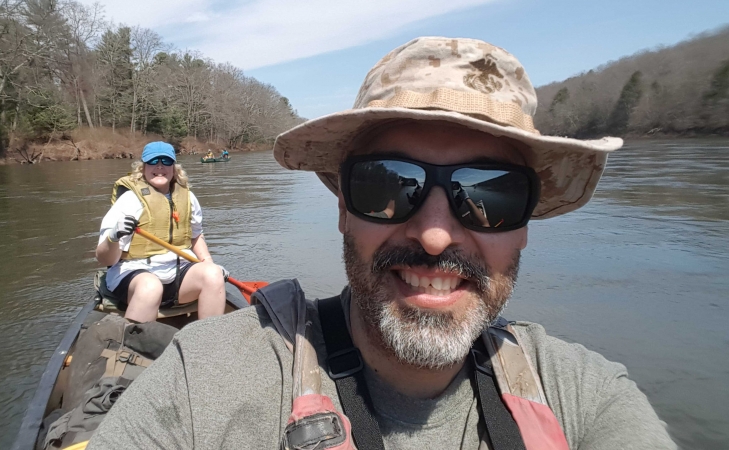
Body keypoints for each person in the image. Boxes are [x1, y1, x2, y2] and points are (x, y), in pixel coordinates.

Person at [89, 38, 676, 449]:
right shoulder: (201, 385)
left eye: (490, 196)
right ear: (343, 207)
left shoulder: (589, 398)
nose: (436, 233)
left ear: (525, 223)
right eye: (388, 186)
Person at [95, 141, 228, 323]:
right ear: (143, 168)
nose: (159, 166)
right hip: (134, 275)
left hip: (178, 275)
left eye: (166, 161)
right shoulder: (129, 200)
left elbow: (196, 236)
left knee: (213, 275)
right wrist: (113, 237)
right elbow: (105, 259)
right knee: (151, 286)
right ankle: (132, 344)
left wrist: (210, 263)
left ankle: (208, 344)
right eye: (153, 161)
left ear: (174, 167)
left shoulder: (188, 197)